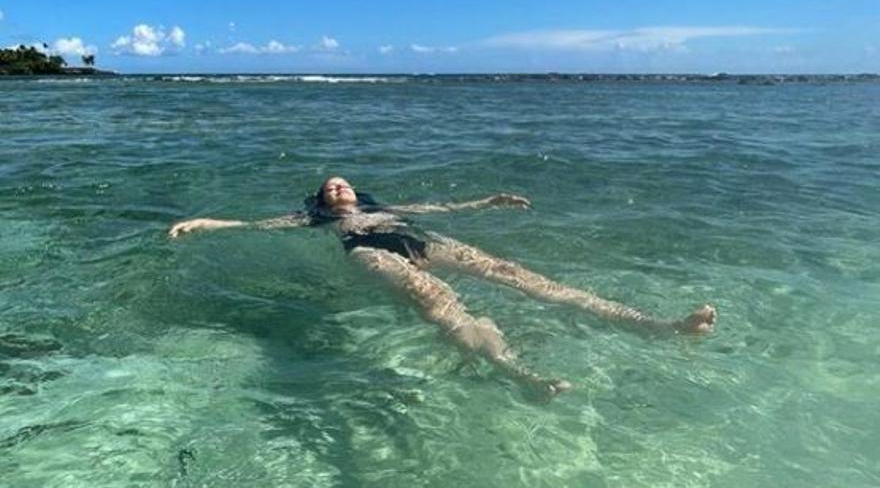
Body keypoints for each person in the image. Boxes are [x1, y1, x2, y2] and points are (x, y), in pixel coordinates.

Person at [169, 176, 716, 397]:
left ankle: (657, 326)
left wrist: (489, 202)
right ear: (322, 201)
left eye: (344, 181)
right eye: (329, 185)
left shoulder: (387, 208)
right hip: (370, 257)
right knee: (443, 309)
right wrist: (207, 223)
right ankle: (521, 374)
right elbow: (255, 225)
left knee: (529, 281)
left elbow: (442, 207)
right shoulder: (315, 221)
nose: (339, 185)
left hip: (424, 242)